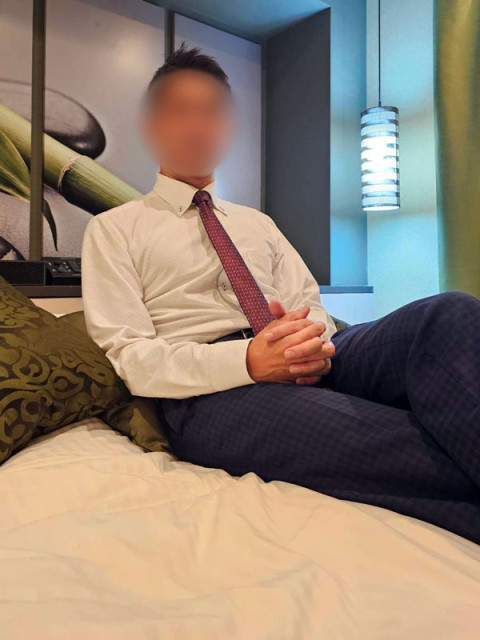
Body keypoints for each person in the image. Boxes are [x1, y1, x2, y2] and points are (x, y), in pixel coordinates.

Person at [81, 42, 480, 545]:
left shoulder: (258, 223)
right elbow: (131, 357)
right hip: (212, 392)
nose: (199, 125)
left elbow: (310, 304)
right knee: (388, 434)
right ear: (155, 127)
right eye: (182, 110)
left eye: (213, 111)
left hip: (308, 354)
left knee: (449, 313)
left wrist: (303, 343)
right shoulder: (114, 230)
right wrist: (249, 360)